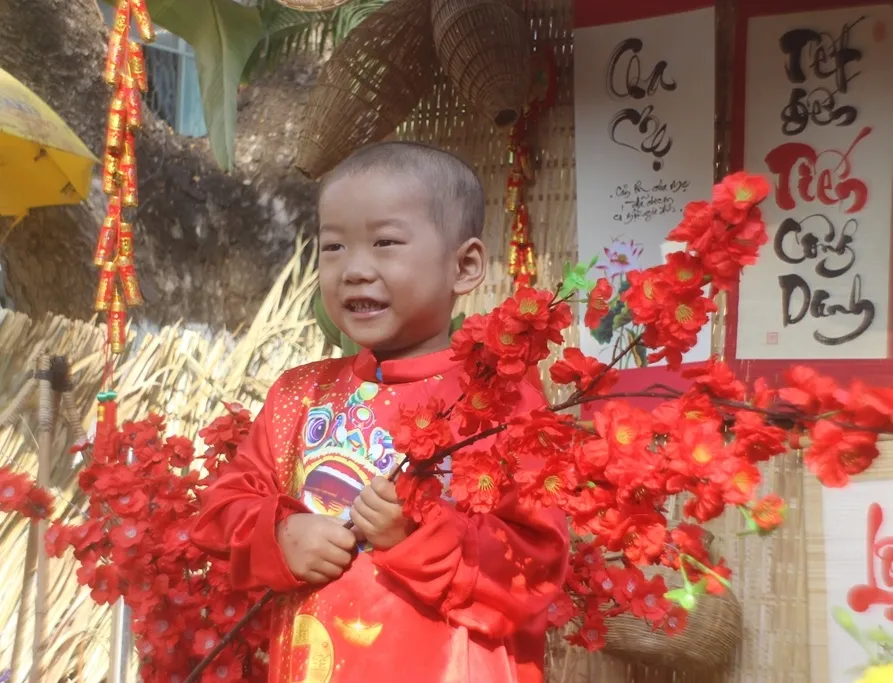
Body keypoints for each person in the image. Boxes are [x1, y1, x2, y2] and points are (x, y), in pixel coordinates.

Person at [191, 141, 569, 683]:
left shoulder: (502, 402)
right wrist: (281, 536)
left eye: (385, 242)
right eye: (333, 247)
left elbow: (536, 567)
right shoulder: (299, 396)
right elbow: (222, 510)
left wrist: (417, 533)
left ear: (464, 266)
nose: (354, 269)